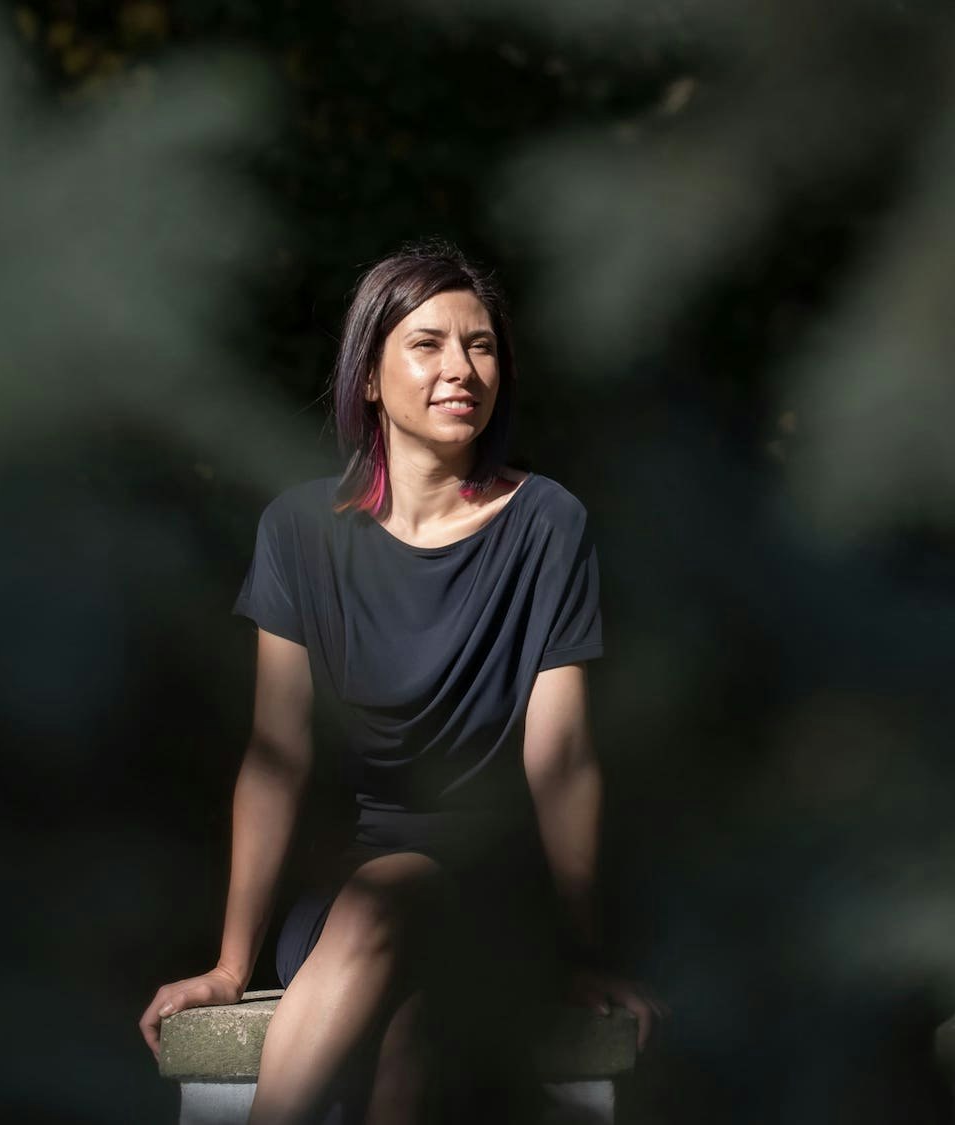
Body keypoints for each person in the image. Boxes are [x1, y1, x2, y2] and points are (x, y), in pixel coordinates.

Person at [139, 241, 665, 1124]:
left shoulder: (546, 524)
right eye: (428, 343)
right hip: (351, 909)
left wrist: (578, 953)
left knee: (421, 1021)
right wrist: (233, 964)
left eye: (483, 344)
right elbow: (277, 756)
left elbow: (562, 758)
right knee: (402, 920)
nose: (462, 367)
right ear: (371, 378)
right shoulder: (301, 531)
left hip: (502, 896)